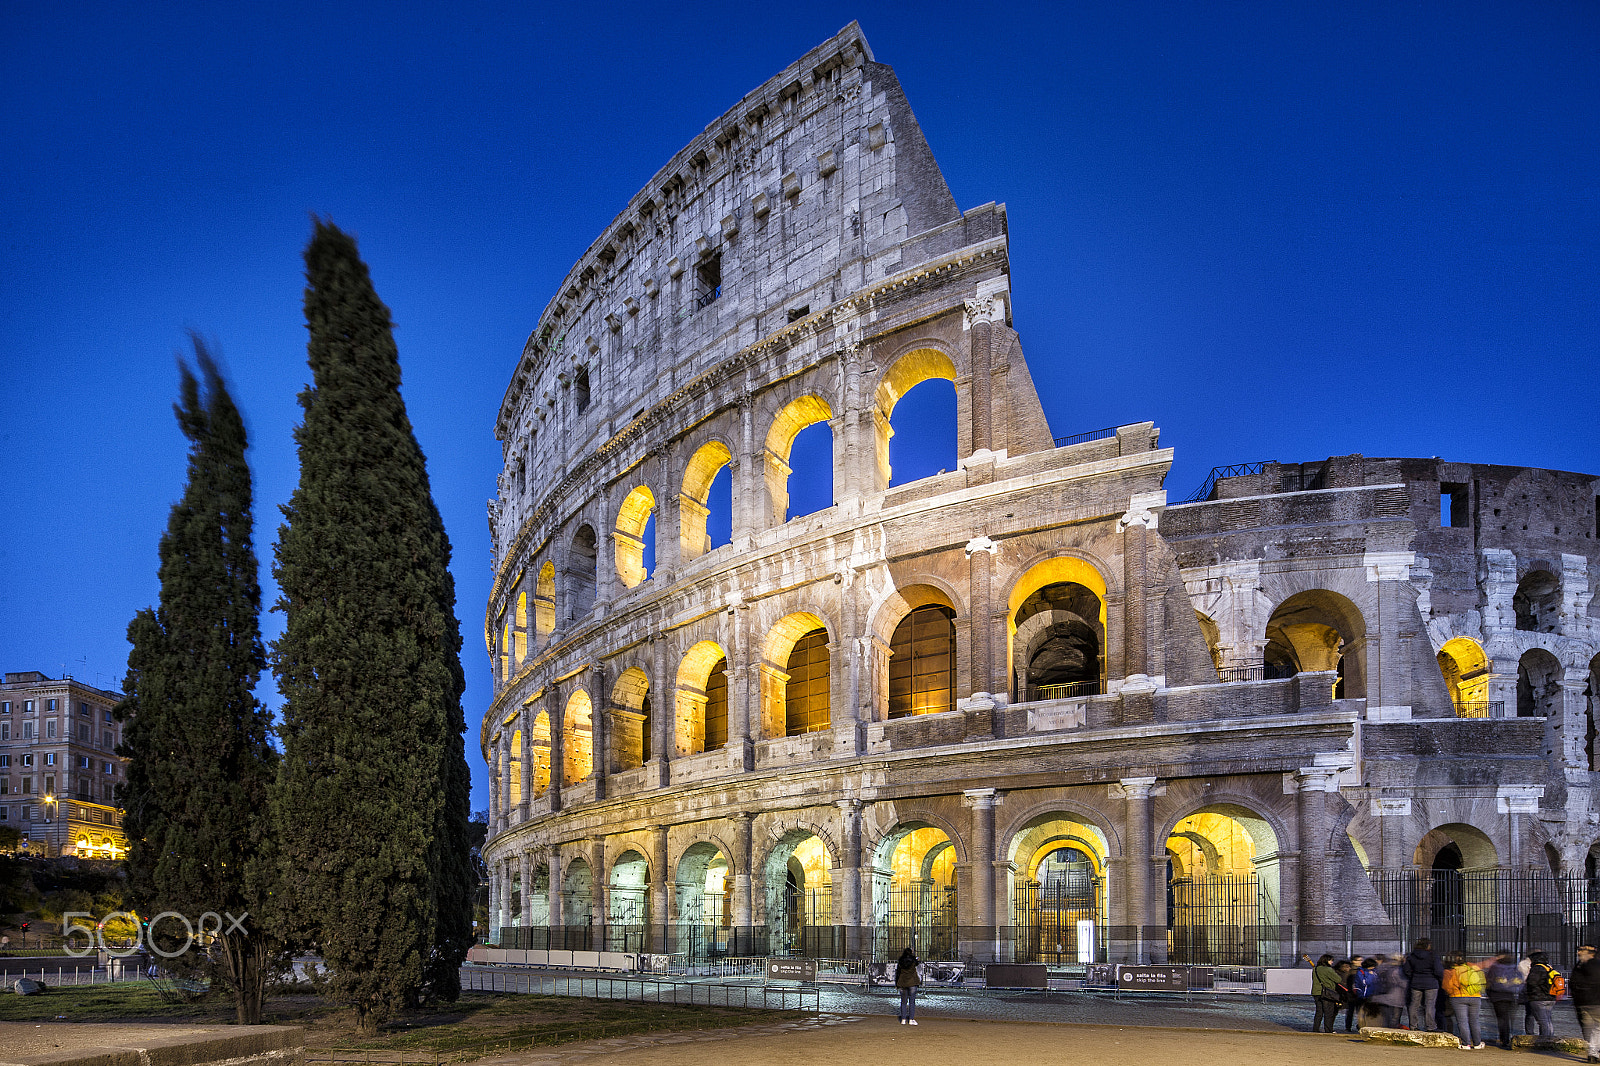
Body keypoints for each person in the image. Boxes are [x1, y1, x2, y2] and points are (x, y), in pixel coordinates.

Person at [1442, 951, 1486, 1050]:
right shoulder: (1471, 969)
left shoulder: (1451, 971)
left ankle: (1466, 1044)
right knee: (1474, 1021)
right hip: (1475, 996)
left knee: (1462, 1021)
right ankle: (1477, 1043)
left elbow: (1446, 986)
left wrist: (1452, 993)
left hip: (1458, 997)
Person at [1484, 950, 1526, 1050]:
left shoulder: (1494, 968)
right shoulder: (1514, 967)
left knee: (1502, 1019)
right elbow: (1520, 981)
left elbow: (1489, 981)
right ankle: (1510, 1037)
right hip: (1510, 995)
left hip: (1497, 996)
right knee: (1508, 1018)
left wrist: (1489, 994)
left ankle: (1504, 1040)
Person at [1405, 938, 1445, 1032]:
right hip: (1431, 982)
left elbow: (1406, 970)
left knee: (1414, 1005)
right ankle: (1430, 1026)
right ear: (1428, 945)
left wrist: (1413, 976)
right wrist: (1437, 978)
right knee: (1430, 1005)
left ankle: (1413, 1026)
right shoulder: (1433, 956)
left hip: (1416, 982)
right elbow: (1439, 971)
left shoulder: (1411, 956)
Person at [1572, 944, 1600, 1064]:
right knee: (1597, 1028)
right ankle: (1593, 1052)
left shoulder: (1578, 967)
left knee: (1590, 1028)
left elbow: (1573, 984)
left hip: (1581, 1003)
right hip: (1596, 1001)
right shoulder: (1596, 965)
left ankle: (1593, 1052)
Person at [1525, 949, 1560, 1044]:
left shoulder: (1537, 968)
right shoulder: (1549, 968)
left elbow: (1532, 982)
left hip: (1538, 998)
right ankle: (1550, 1038)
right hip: (1551, 998)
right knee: (1548, 1020)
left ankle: (1545, 1041)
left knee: (1542, 1021)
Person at [1373, 953, 1408, 1028]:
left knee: (1386, 1018)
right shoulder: (1397, 970)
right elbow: (1402, 983)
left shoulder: (1383, 968)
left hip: (1383, 997)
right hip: (1396, 997)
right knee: (1395, 1018)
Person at [1312, 953, 1342, 1033]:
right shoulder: (1328, 969)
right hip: (1327, 993)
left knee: (1319, 1012)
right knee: (1328, 1012)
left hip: (1316, 992)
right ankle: (1328, 1030)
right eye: (1331, 960)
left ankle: (1315, 1029)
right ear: (1326, 961)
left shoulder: (1315, 969)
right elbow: (1338, 979)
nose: (1332, 962)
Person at [1349, 957, 1379, 1030]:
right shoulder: (1361, 972)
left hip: (1372, 995)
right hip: (1363, 995)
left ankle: (1368, 1026)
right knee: (1362, 1013)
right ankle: (1362, 1026)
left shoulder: (1374, 972)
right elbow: (1364, 983)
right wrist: (1371, 975)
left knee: (1370, 1013)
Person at [894, 946, 921, 1025]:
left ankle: (903, 1019)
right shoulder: (913, 961)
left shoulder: (901, 961)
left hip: (902, 982)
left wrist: (896, 983)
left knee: (903, 1002)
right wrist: (916, 959)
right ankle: (911, 1019)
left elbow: (898, 973)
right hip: (912, 982)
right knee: (912, 1002)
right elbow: (917, 963)